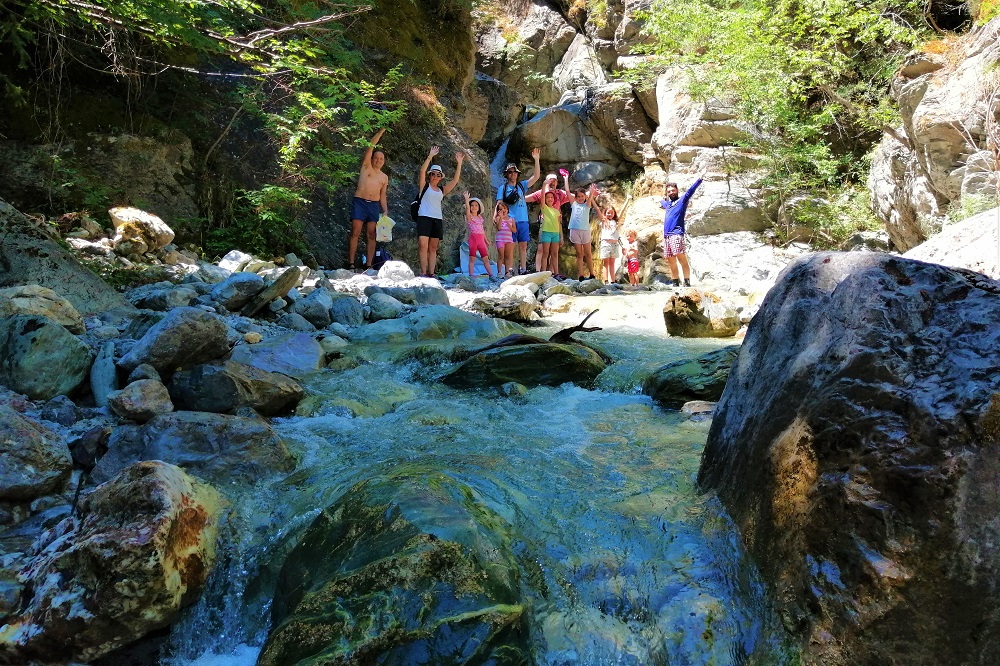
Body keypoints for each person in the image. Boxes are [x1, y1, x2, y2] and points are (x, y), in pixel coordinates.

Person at [416, 146, 464, 277]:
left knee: (433, 248)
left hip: (437, 219)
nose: (435, 176)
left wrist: (459, 163)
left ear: (440, 177)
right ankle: (423, 272)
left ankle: (431, 273)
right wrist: (430, 156)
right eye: (433, 174)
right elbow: (422, 171)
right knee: (423, 245)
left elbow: (455, 181)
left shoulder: (442, 190)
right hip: (424, 217)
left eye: (438, 175)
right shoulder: (424, 186)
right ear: (430, 175)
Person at [347, 128, 389, 270]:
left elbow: (382, 194)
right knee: (355, 231)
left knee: (372, 234)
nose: (378, 160)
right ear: (372, 159)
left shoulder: (384, 177)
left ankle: (369, 264)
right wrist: (382, 131)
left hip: (374, 205)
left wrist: (385, 210)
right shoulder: (366, 167)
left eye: (381, 159)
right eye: (376, 158)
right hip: (360, 202)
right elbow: (371, 145)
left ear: (384, 162)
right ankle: (351, 263)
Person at [496, 148, 541, 275]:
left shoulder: (522, 185)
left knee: (523, 246)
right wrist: (498, 218)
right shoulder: (502, 188)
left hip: (523, 220)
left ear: (517, 174)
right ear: (507, 174)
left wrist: (536, 159)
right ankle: (508, 271)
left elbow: (536, 176)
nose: (512, 174)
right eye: (510, 172)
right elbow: (499, 204)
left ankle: (523, 269)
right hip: (510, 220)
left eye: (514, 172)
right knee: (510, 248)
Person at [660, 173, 704, 287]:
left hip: (676, 234)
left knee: (681, 258)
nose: (671, 192)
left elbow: (690, 191)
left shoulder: (682, 201)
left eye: (673, 190)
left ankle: (687, 282)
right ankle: (675, 283)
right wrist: (660, 202)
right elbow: (662, 202)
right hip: (667, 237)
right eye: (669, 191)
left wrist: (700, 179)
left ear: (677, 190)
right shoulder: (668, 204)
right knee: (671, 261)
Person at [526, 169, 571, 271]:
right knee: (542, 248)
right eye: (550, 180)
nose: (553, 182)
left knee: (554, 251)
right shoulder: (542, 193)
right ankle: (539, 271)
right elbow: (526, 198)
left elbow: (573, 197)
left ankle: (552, 273)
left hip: (556, 223)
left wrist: (588, 194)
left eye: (554, 180)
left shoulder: (560, 194)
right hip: (544, 223)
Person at [567, 183, 597, 281]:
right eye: (578, 196)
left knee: (588, 253)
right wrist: (566, 178)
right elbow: (567, 191)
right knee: (579, 254)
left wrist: (592, 192)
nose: (580, 198)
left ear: (585, 197)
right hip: (575, 230)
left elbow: (590, 198)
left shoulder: (587, 205)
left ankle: (592, 274)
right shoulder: (574, 204)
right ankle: (581, 275)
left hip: (585, 231)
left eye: (582, 196)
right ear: (575, 198)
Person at [463, 192, 494, 278]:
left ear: (479, 207)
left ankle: (491, 275)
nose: (474, 207)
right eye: (472, 205)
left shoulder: (480, 218)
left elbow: (482, 230)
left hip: (481, 240)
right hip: (473, 239)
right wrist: (467, 200)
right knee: (472, 258)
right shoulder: (470, 217)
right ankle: (471, 275)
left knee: (485, 258)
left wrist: (486, 240)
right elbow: (467, 210)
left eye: (476, 205)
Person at [537, 179, 563, 275]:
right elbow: (542, 199)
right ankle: (543, 273)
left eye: (551, 197)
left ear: (554, 199)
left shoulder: (557, 211)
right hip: (546, 233)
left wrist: (561, 236)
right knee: (545, 253)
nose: (550, 199)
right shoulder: (544, 208)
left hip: (555, 234)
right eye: (548, 197)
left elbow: (558, 224)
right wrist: (544, 185)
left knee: (555, 254)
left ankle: (556, 273)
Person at [493, 200, 516, 278]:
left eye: (504, 208)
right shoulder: (498, 218)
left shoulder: (511, 219)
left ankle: (507, 272)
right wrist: (501, 219)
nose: (503, 210)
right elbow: (499, 228)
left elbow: (514, 230)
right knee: (501, 256)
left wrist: (510, 226)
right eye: (501, 209)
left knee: (507, 256)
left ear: (507, 209)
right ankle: (499, 272)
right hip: (500, 239)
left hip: (509, 239)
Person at [599, 205, 620, 283]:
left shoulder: (615, 222)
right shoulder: (604, 221)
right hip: (606, 244)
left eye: (612, 213)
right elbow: (598, 210)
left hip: (614, 244)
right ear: (605, 213)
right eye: (608, 213)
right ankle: (606, 281)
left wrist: (627, 200)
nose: (610, 214)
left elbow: (621, 213)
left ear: (614, 213)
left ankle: (613, 281)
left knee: (612, 263)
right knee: (606, 263)